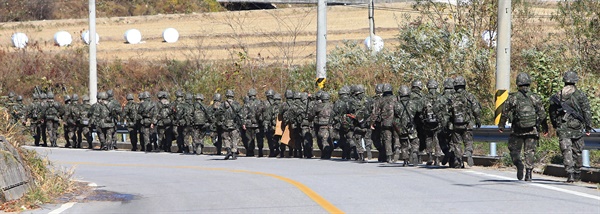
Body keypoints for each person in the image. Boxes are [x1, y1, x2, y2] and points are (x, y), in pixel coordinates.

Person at [499, 73, 548, 181]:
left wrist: (501, 125)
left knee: (514, 150)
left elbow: (504, 112)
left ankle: (519, 164)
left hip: (517, 130)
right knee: (529, 151)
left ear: (518, 83)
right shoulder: (534, 97)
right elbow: (542, 114)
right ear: (528, 83)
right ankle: (529, 173)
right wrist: (545, 128)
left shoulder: (513, 97)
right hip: (532, 129)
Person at [549, 71, 593, 183]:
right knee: (577, 151)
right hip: (577, 127)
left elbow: (552, 112)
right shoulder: (580, 95)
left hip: (563, 127)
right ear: (575, 81)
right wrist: (588, 126)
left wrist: (555, 124)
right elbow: (586, 112)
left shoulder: (558, 95)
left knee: (566, 151)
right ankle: (577, 172)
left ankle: (570, 174)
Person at [447, 76, 482, 168]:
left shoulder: (451, 97)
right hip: (467, 124)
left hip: (456, 124)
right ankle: (468, 152)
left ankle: (458, 161)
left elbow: (447, 112)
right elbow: (476, 109)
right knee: (468, 141)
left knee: (456, 143)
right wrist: (478, 120)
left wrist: (448, 123)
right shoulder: (470, 96)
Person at [370, 83, 396, 163]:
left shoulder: (380, 100)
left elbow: (375, 113)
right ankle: (396, 149)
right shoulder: (396, 98)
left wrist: (372, 122)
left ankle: (389, 156)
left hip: (385, 122)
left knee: (387, 139)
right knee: (396, 137)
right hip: (395, 122)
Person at [394, 85, 420, 166]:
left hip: (401, 127)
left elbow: (395, 117)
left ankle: (405, 161)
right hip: (411, 126)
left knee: (404, 144)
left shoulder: (397, 105)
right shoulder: (413, 103)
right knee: (414, 141)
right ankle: (415, 152)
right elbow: (418, 113)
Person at [422, 79, 444, 165]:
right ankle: (437, 158)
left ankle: (430, 157)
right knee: (437, 139)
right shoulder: (440, 97)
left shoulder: (424, 98)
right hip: (438, 122)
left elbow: (420, 110)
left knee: (428, 139)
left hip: (427, 122)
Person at [217, 89, 242, 160]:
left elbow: (218, 114)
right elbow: (240, 114)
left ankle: (228, 151)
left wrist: (220, 122)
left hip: (225, 125)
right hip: (234, 125)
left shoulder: (222, 105)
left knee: (225, 139)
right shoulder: (236, 104)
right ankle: (234, 153)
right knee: (234, 139)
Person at [312, 91, 334, 159]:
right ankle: (326, 154)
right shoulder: (332, 105)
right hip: (331, 126)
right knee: (328, 140)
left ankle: (326, 154)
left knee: (323, 141)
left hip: (322, 126)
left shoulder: (319, 106)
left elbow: (311, 114)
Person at [241, 88, 263, 157]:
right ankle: (260, 151)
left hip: (249, 124)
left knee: (250, 139)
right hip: (258, 124)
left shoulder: (247, 104)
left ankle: (250, 152)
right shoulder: (260, 103)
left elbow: (244, 114)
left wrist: (243, 123)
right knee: (259, 137)